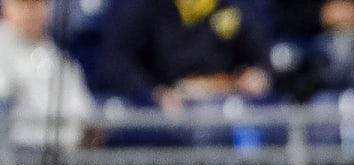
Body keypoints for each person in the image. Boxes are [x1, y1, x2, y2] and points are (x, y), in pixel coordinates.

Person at [97, 0, 273, 112]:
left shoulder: (233, 7)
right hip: (167, 109)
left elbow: (260, 58)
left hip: (224, 104)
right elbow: (119, 60)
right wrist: (153, 94)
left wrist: (258, 75)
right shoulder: (144, 8)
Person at [0, 0, 99, 148]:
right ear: (6, 8)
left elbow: (86, 114)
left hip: (62, 158)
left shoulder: (57, 57)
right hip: (16, 156)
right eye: (22, 5)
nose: (30, 13)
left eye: (35, 5)